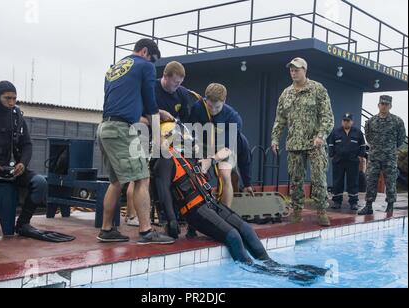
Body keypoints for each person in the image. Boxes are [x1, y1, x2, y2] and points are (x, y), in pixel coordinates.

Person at [153, 121, 328, 284]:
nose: (187, 141)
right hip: (195, 210)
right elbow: (164, 194)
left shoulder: (186, 159)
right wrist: (172, 221)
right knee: (233, 236)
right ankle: (270, 274)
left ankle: (273, 265)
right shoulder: (165, 161)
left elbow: (204, 174)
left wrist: (210, 161)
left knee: (246, 229)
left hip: (210, 203)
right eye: (182, 137)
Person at [0, 81, 74, 250]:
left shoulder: (17, 117)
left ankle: (23, 224)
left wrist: (22, 163)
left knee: (40, 183)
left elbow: (27, 144)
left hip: (11, 167)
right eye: (7, 98)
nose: (12, 102)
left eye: (14, 98)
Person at [97, 38, 175, 245]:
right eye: (153, 60)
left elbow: (122, 104)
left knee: (116, 181)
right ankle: (146, 232)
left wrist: (158, 113)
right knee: (142, 178)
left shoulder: (114, 69)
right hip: (122, 131)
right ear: (144, 51)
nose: (153, 66)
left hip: (105, 128)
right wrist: (157, 137)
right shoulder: (144, 66)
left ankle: (106, 230)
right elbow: (149, 103)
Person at [271, 57, 334, 226]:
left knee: (319, 178)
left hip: (315, 143)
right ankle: (297, 211)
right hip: (294, 144)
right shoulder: (286, 93)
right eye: (291, 70)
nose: (293, 72)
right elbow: (280, 119)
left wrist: (321, 135)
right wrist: (275, 138)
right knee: (296, 179)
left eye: (297, 69)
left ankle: (321, 210)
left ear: (305, 70)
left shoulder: (317, 89)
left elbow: (327, 116)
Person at [189, 83, 243, 208]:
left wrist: (210, 161)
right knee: (193, 171)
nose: (213, 110)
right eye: (210, 106)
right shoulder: (198, 107)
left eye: (217, 107)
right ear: (205, 99)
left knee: (224, 174)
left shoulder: (233, 117)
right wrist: (195, 148)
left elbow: (227, 149)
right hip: (204, 144)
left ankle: (226, 212)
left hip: (224, 148)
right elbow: (190, 132)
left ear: (224, 101)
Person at [359, 95, 406, 216]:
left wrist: (390, 149)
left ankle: (390, 206)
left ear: (390, 106)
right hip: (374, 157)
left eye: (386, 104)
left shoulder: (397, 121)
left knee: (390, 181)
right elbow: (368, 137)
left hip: (389, 157)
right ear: (378, 105)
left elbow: (400, 139)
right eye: (382, 104)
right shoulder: (371, 121)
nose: (384, 106)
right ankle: (368, 205)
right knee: (370, 180)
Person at [327, 113, 366, 211]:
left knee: (353, 182)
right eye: (344, 120)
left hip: (352, 161)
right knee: (337, 181)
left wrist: (360, 156)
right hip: (338, 161)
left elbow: (362, 145)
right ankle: (337, 201)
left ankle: (353, 202)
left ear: (352, 121)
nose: (346, 122)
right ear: (342, 121)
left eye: (348, 120)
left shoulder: (358, 132)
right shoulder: (335, 132)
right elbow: (331, 144)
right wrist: (332, 155)